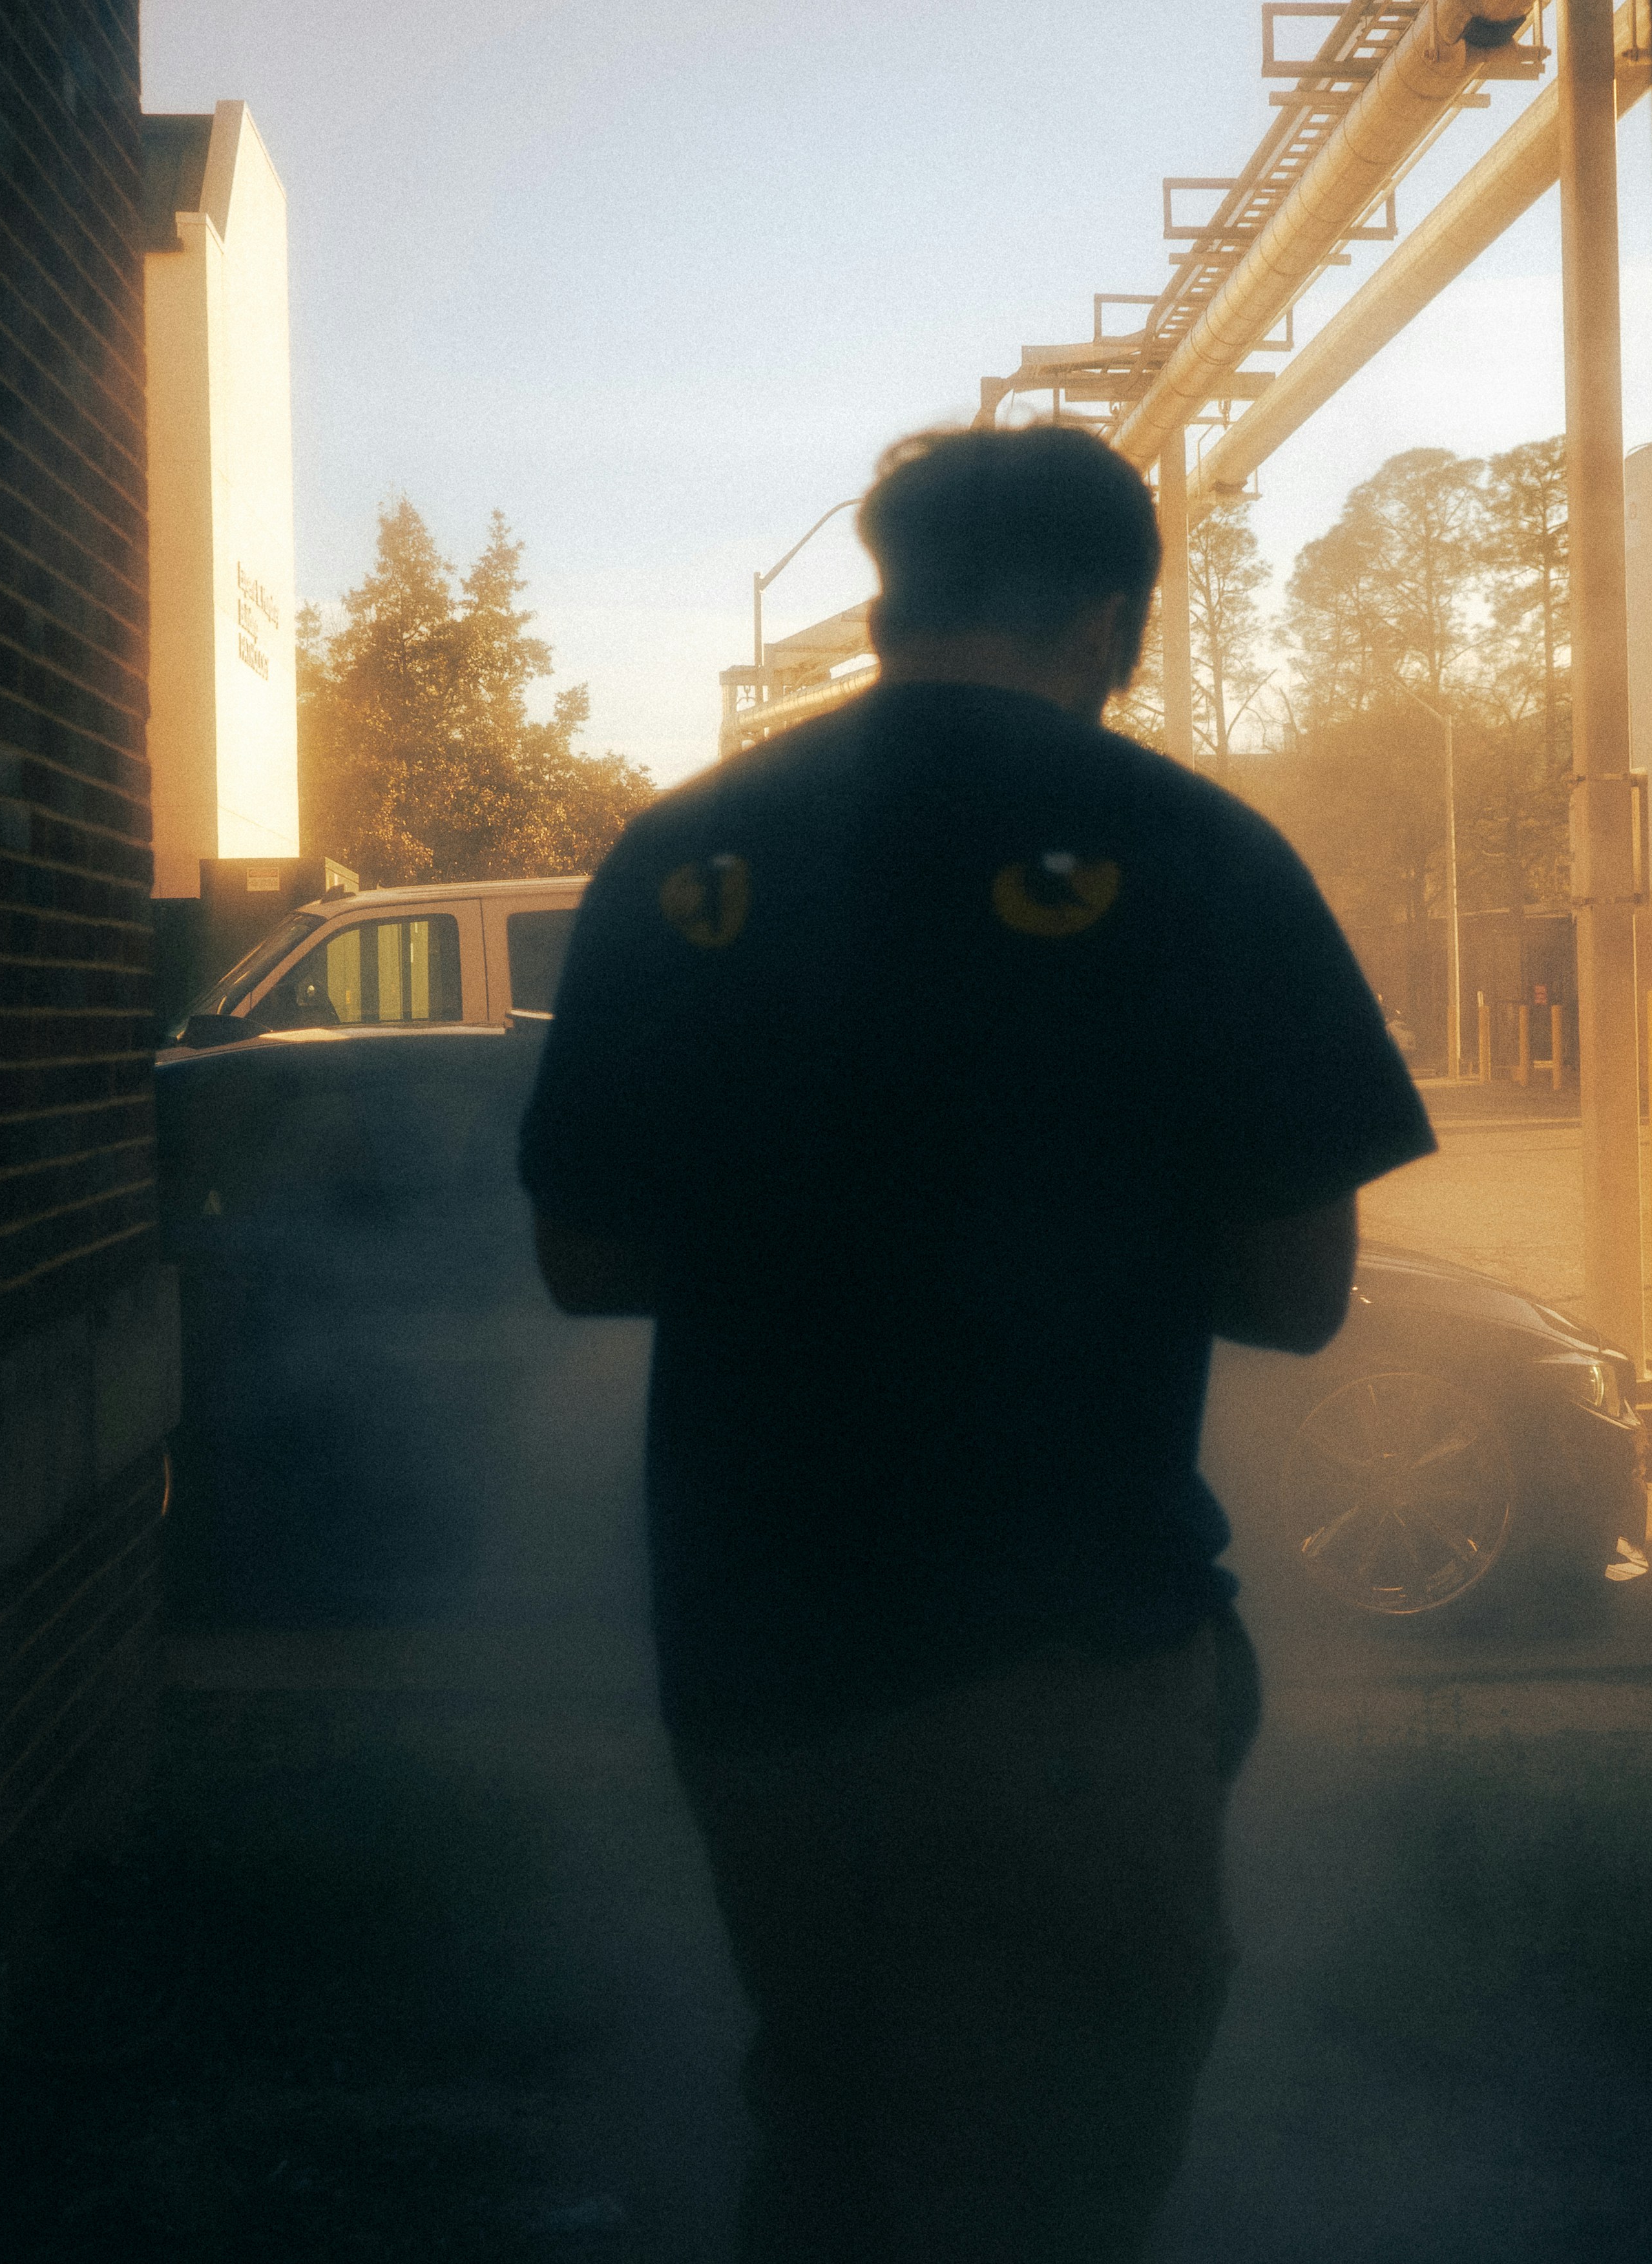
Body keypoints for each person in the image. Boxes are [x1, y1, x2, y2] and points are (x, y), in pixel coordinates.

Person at [518, 421, 1433, 2261]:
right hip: (1064, 1657)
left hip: (754, 1651)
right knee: (1051, 2167)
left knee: (834, 2128)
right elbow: (1300, 1294)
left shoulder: (683, 853)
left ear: (889, 597)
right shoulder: (1195, 853)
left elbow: (587, 1258)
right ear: (1109, 623)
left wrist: (827, 1243)